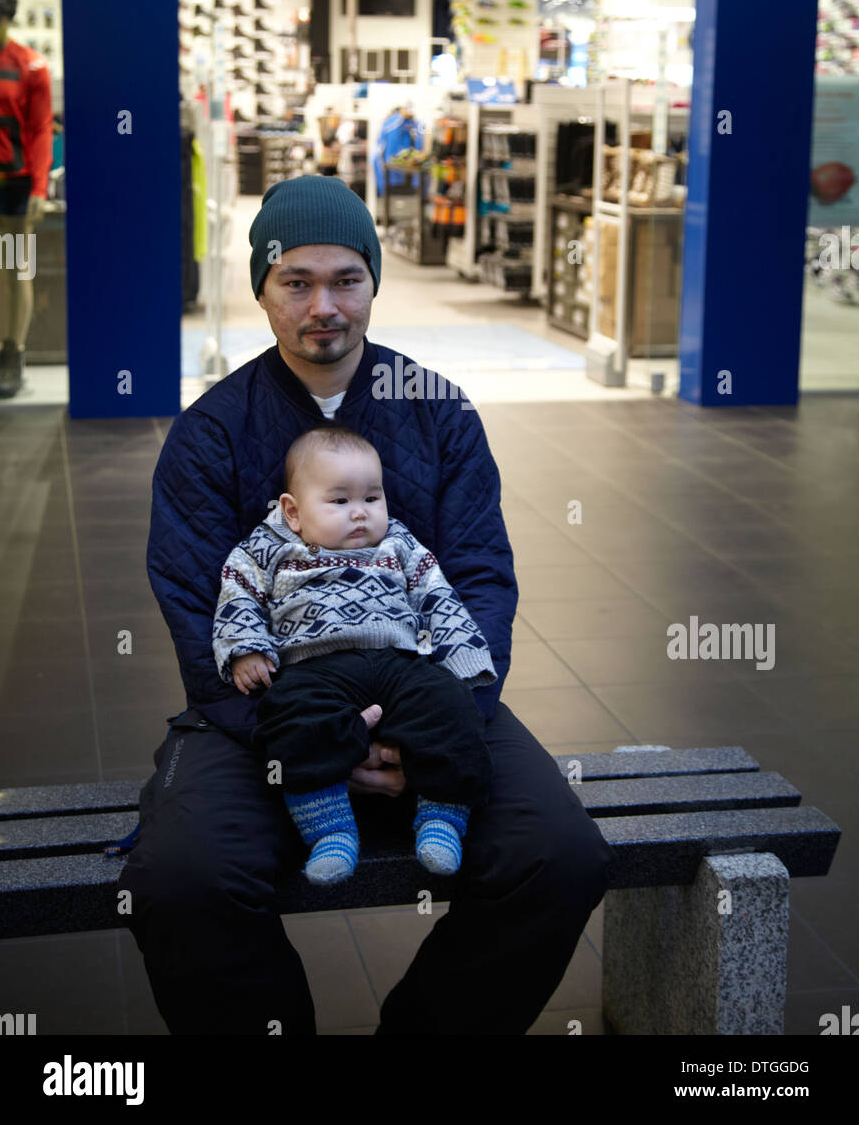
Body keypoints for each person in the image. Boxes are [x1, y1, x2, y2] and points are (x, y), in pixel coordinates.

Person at [120, 174, 615, 1036]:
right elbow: (196, 607)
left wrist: (433, 720)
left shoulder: (440, 415)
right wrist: (308, 734)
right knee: (182, 879)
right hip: (263, 709)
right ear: (263, 293)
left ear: (374, 283)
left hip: (431, 693)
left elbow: (481, 576)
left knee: (561, 857)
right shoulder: (212, 433)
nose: (325, 306)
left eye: (346, 279)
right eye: (296, 282)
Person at [214, 423, 497, 885]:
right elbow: (239, 591)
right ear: (293, 511)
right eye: (340, 500)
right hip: (313, 667)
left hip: (400, 662)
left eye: (371, 497)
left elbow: (437, 595)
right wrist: (246, 648)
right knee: (291, 719)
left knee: (451, 707)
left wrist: (462, 658)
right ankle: (329, 831)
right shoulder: (268, 547)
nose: (360, 513)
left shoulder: (398, 543)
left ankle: (442, 819)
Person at [0, 0, 54, 397]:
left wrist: (38, 185)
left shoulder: (30, 66)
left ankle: (13, 353)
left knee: (16, 268)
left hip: (15, 186)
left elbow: (40, 129)